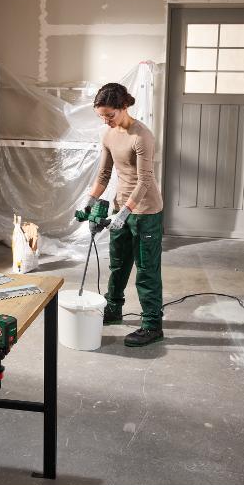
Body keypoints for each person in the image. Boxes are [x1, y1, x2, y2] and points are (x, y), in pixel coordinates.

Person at [78, 82, 164, 347]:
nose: (106, 120)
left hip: (145, 211)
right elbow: (104, 174)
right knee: (118, 264)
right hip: (120, 209)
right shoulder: (109, 135)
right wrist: (90, 200)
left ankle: (152, 325)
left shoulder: (142, 136)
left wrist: (126, 211)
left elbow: (145, 180)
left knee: (146, 271)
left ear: (124, 107)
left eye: (110, 115)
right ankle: (113, 310)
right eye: (101, 116)